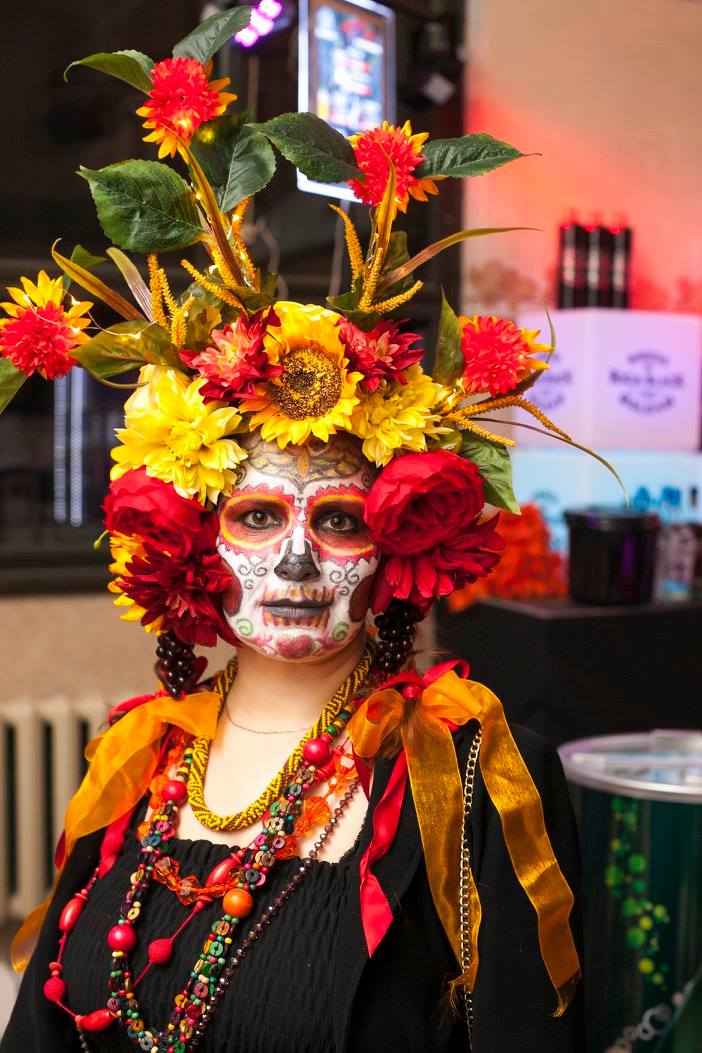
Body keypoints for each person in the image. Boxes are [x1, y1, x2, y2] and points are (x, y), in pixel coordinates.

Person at [0, 9, 590, 1050]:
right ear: (192, 538)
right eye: (258, 514)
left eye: (343, 519)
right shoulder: (138, 758)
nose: (299, 558)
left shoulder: (477, 777)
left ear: (402, 542)